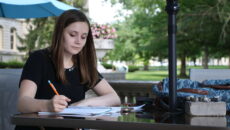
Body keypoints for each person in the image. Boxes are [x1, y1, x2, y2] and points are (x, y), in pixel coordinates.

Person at [16, 9, 121, 130]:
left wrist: (83, 104)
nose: (78, 42)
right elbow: (22, 103)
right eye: (72, 35)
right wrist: (48, 105)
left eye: (83, 37)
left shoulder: (83, 65)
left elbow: (114, 98)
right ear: (60, 33)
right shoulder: (39, 59)